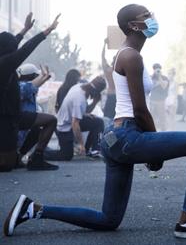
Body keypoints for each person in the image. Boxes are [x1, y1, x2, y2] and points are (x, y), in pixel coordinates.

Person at [4, 4, 186, 239]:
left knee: (108, 219)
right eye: (146, 15)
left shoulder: (128, 54)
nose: (153, 18)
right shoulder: (130, 56)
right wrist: (155, 154)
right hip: (128, 135)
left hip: (116, 137)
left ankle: (34, 209)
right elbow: (140, 110)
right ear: (133, 25)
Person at [0, 12, 60, 171]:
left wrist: (25, 30)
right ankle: (14, 158)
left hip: (16, 116)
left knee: (50, 120)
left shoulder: (5, 58)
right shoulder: (4, 64)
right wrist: (46, 32)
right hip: (5, 120)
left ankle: (37, 158)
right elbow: (24, 50)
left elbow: (15, 42)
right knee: (7, 166)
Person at [45, 76, 107, 161]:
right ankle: (41, 153)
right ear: (95, 92)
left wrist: (94, 102)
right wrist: (81, 144)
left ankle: (94, 150)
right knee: (66, 155)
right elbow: (75, 124)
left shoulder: (80, 86)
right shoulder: (79, 99)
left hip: (71, 120)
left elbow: (84, 110)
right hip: (63, 126)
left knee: (98, 122)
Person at [16, 64, 59, 171]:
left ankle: (19, 158)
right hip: (14, 129)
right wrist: (43, 78)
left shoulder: (26, 88)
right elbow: (27, 88)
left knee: (38, 129)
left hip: (17, 132)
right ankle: (35, 158)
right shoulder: (21, 87)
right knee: (51, 120)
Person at [101, 39, 117, 128]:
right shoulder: (112, 71)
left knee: (109, 119)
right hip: (114, 96)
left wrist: (104, 45)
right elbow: (103, 58)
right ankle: (110, 139)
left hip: (113, 96)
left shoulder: (110, 70)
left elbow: (102, 58)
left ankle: (110, 139)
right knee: (110, 120)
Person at [149, 63, 169, 131]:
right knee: (152, 118)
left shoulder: (164, 78)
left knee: (162, 119)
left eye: (158, 69)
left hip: (161, 101)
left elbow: (164, 86)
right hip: (152, 101)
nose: (157, 70)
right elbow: (149, 87)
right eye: (155, 69)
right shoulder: (150, 78)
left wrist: (159, 76)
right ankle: (153, 131)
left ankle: (164, 132)